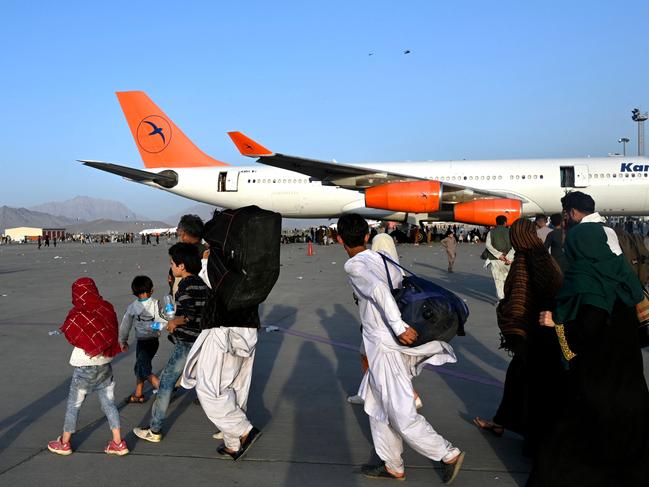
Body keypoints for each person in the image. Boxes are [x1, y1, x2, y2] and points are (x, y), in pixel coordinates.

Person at [336, 214, 464, 484]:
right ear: (367, 237)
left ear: (339, 239)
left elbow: (380, 291)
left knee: (401, 412)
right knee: (375, 405)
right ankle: (392, 464)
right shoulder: (384, 259)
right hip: (386, 344)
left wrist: (397, 327)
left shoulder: (354, 266)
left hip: (386, 346)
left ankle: (447, 453)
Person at [528, 212, 649, 486]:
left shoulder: (586, 283)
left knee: (575, 440)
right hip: (629, 378)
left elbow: (585, 333)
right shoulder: (623, 277)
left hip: (596, 380)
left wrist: (556, 323)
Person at [473, 219, 564, 455]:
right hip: (546, 328)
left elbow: (518, 300)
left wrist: (507, 318)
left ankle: (531, 434)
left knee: (527, 381)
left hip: (530, 332)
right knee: (519, 378)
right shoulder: (543, 255)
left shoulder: (524, 260)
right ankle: (502, 422)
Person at [180, 242, 263, 460]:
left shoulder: (216, 261)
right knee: (236, 388)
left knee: (211, 390)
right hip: (248, 328)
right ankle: (233, 444)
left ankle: (244, 431)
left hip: (222, 330)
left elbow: (212, 280)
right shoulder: (249, 260)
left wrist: (207, 257)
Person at [134, 243, 208, 442]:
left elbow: (189, 314)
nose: (172, 267)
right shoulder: (203, 284)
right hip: (203, 341)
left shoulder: (185, 285)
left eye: (172, 263)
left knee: (166, 383)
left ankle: (155, 429)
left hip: (186, 342)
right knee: (208, 383)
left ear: (182, 266)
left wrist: (175, 321)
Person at [47, 278, 128, 456]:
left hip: (84, 367)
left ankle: (65, 443)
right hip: (105, 365)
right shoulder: (106, 307)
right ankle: (118, 443)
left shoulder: (77, 313)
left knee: (73, 405)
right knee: (109, 404)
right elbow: (112, 331)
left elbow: (72, 331)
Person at [347, 233, 424, 409]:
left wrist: (398, 327)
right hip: (393, 322)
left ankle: (411, 396)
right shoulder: (392, 265)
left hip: (381, 324)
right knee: (381, 360)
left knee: (385, 364)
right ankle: (367, 392)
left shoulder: (369, 266)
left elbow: (378, 291)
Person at [119, 275, 166, 403]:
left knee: (143, 368)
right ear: (151, 290)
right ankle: (138, 393)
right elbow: (163, 321)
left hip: (143, 342)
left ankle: (162, 389)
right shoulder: (156, 303)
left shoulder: (132, 307)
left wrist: (123, 341)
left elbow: (125, 325)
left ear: (135, 292)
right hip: (153, 341)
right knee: (140, 366)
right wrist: (155, 326)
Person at [169, 214, 206, 295]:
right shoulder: (206, 251)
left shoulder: (186, 252)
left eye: (178, 230)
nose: (177, 233)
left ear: (183, 233)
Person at [484, 215, 514, 301]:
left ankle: (501, 299)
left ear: (496, 222)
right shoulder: (510, 232)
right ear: (505, 222)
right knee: (509, 279)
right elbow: (515, 246)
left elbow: (488, 245)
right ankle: (509, 298)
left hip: (495, 259)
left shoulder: (491, 232)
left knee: (498, 280)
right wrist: (509, 258)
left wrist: (499, 255)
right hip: (508, 260)